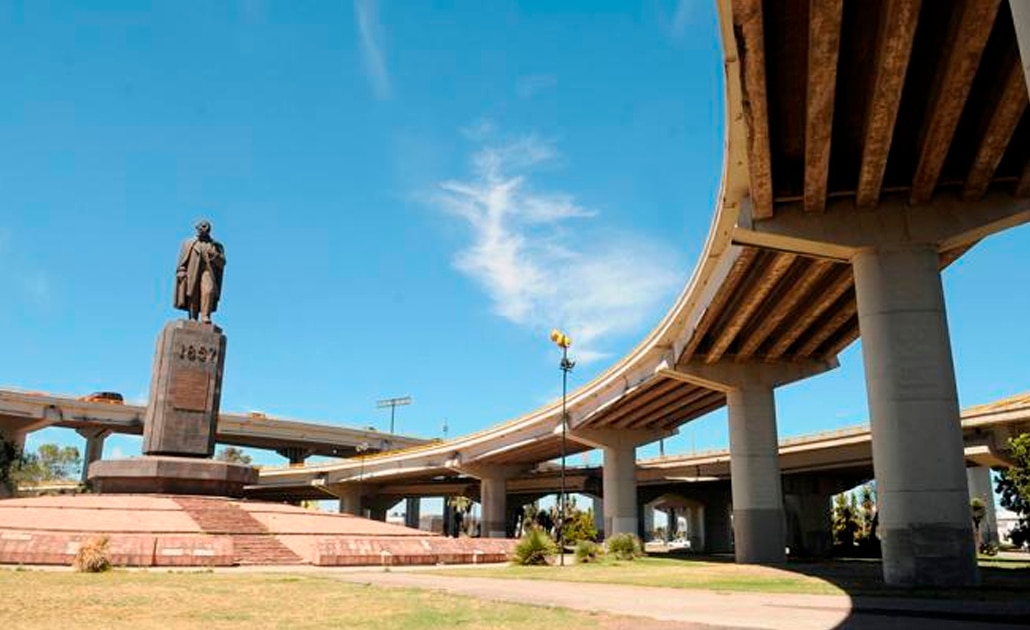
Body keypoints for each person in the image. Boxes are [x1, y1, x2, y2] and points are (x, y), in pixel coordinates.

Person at [175, 220, 226, 323]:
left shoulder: (215, 245)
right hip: (192, 270)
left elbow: (222, 262)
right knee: (193, 292)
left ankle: (205, 316)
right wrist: (181, 270)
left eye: (204, 228)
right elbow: (182, 259)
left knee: (209, 290)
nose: (201, 230)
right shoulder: (189, 243)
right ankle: (193, 317)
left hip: (208, 271)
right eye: (199, 228)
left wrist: (215, 256)